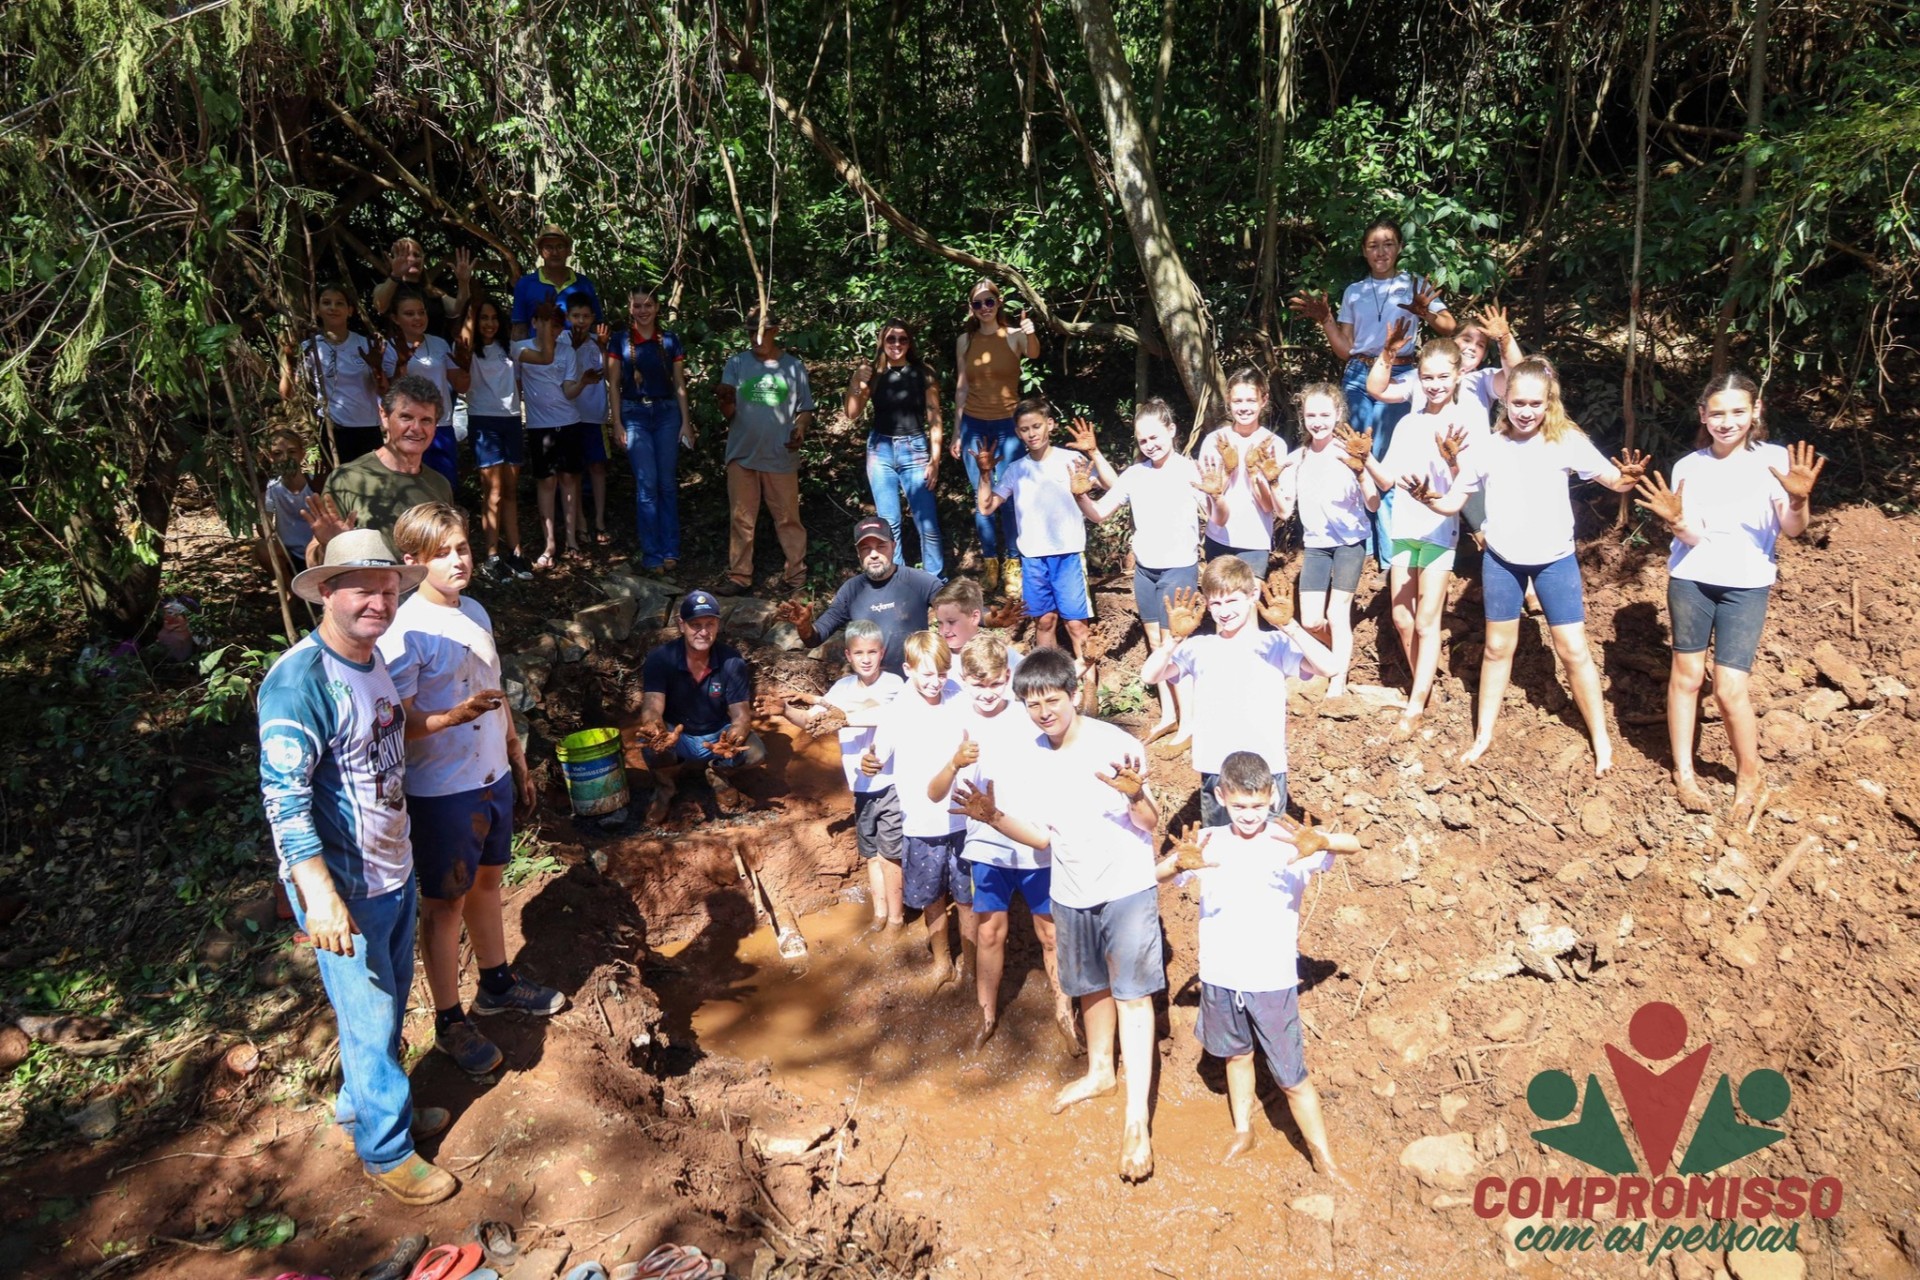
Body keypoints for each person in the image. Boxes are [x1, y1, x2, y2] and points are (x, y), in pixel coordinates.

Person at [257, 528, 456, 1205]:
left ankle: (366, 1103)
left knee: (388, 1003)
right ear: (328, 593)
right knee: (369, 1016)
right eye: (363, 588)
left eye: (388, 588)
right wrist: (318, 894)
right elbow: (283, 802)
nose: (379, 600)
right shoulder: (298, 682)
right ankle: (387, 1151)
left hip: (389, 866)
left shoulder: (368, 659)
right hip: (344, 883)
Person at [949, 647, 1162, 1182]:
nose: (1044, 711)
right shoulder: (1031, 755)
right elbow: (1043, 836)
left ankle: (1137, 1125)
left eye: (1052, 700)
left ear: (1072, 695)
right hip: (1070, 889)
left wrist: (1137, 797)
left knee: (1133, 998)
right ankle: (1098, 1073)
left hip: (1126, 887)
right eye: (1033, 703)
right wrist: (993, 817)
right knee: (1090, 986)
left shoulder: (1116, 744)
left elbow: (1150, 821)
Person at [379, 503, 562, 1078]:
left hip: (491, 776)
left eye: (462, 548)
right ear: (412, 563)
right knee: (444, 903)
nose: (458, 561)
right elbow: (398, 722)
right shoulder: (404, 631)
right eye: (443, 553)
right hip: (441, 789)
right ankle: (450, 1021)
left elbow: (494, 691)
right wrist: (450, 717)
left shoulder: (475, 610)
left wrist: (515, 754)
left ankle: (497, 981)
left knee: (488, 881)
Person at [1400, 359, 1646, 776]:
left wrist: (1630, 478)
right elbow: (1453, 503)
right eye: (1518, 403)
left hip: (1555, 561)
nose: (1526, 411)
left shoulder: (1565, 440)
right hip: (1502, 561)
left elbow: (1615, 481)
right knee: (1497, 649)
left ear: (1549, 401)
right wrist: (1428, 498)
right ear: (1505, 402)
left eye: (1535, 403)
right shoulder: (1488, 447)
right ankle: (1484, 735)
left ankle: (1601, 739)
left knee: (1573, 650)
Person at [1159, 752, 1356, 1181]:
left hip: (1271, 979)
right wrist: (1176, 863)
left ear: (1273, 796)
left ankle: (1324, 1157)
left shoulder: (1293, 841)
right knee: (1237, 1056)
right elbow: (1154, 876)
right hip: (1220, 975)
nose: (1249, 816)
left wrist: (1324, 842)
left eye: (1258, 805)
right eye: (1239, 806)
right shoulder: (1206, 841)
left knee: (1291, 1076)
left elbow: (1354, 843)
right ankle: (1243, 1130)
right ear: (1221, 797)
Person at [1634, 373, 1824, 814]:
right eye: (1717, 413)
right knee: (1686, 677)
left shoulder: (1776, 461)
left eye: (1738, 411)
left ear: (1755, 412)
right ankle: (1684, 771)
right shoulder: (1689, 466)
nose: (1727, 421)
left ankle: (1749, 774)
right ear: (1703, 415)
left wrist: (1797, 501)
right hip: (1692, 579)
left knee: (1730, 688)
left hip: (1748, 584)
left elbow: (1793, 530)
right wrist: (1676, 523)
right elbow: (1694, 537)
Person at [923, 633, 1073, 1051]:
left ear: (1008, 677)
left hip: (1034, 837)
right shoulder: (952, 719)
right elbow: (934, 794)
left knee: (1051, 933)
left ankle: (1065, 1012)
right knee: (990, 932)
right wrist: (955, 762)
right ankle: (986, 1015)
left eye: (994, 684)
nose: (986, 694)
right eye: (977, 684)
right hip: (986, 844)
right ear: (963, 679)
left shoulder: (1028, 714)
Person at [1140, 556, 1338, 827]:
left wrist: (1291, 627)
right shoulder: (1199, 647)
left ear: (1252, 594)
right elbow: (1150, 675)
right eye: (1215, 603)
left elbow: (1330, 667)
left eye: (1232, 601)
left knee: (1268, 852)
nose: (1224, 611)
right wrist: (1173, 640)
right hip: (1216, 767)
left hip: (1265, 765)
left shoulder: (1274, 643)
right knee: (1221, 850)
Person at [1356, 335, 1479, 738]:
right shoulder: (1408, 423)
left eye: (1443, 376)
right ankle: (1424, 689)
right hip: (1405, 529)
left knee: (1427, 620)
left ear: (1458, 375)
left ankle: (1414, 705)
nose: (1435, 385)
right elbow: (1389, 478)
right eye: (1427, 377)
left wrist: (1454, 460)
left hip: (1440, 530)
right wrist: (1364, 459)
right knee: (1401, 617)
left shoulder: (1465, 422)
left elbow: (1470, 484)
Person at [1075, 398, 1217, 745]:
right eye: (1142, 440)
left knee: (1175, 645)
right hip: (1146, 571)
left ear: (1172, 430)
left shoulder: (1189, 469)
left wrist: (1218, 494)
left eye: (1155, 437)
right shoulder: (1135, 474)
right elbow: (1099, 513)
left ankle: (1190, 722)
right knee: (1156, 642)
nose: (1150, 445)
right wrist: (1079, 495)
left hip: (1178, 569)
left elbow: (1213, 515)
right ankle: (1169, 715)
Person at [763, 621, 907, 935]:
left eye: (872, 652)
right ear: (848, 655)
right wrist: (786, 710)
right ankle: (879, 914)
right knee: (870, 854)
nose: (866, 658)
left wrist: (845, 718)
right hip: (862, 786)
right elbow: (813, 721)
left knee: (890, 856)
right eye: (859, 653)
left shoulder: (894, 684)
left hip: (892, 783)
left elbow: (888, 716)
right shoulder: (840, 689)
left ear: (882, 653)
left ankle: (896, 920)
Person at [860, 632, 974, 987]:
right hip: (921, 822)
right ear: (908, 669)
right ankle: (942, 960)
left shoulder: (960, 696)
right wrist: (870, 763)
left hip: (965, 818)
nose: (935, 682)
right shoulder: (898, 710)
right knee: (932, 897)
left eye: (941, 673)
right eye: (926, 674)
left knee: (968, 897)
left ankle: (970, 963)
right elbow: (878, 753)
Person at [975, 398, 1109, 663]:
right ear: (1017, 433)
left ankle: (1088, 687)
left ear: (1050, 425)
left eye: (1036, 426)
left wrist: (1094, 453)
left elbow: (1111, 484)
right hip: (1033, 558)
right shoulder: (1016, 470)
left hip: (1068, 555)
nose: (1032, 433)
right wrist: (985, 474)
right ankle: (1048, 683)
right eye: (1024, 429)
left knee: (1076, 625)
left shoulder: (1071, 459)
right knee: (1045, 622)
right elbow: (987, 507)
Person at [635, 589, 768, 823]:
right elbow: (652, 706)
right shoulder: (661, 658)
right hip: (678, 735)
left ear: (718, 624)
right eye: (695, 624)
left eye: (710, 624)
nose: (704, 632)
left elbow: (741, 715)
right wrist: (656, 729)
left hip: (717, 735)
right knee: (651, 744)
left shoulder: (731, 661)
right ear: (681, 625)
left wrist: (733, 738)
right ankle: (665, 789)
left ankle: (717, 771)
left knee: (756, 752)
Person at [1286, 383, 1380, 698]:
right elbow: (1279, 499)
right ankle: (1335, 654)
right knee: (1312, 620)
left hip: (1350, 543)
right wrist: (1266, 477)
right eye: (1311, 414)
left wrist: (1363, 471)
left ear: (1338, 413)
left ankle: (1337, 679)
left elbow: (1374, 504)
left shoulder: (1349, 449)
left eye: (1325, 414)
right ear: (1302, 416)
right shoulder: (1298, 456)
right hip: (1316, 545)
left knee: (1337, 613)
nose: (1318, 421)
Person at [305, 376, 456, 564]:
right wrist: (328, 545)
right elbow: (313, 561)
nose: (416, 428)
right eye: (406, 417)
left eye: (426, 420)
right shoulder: (348, 479)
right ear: (384, 416)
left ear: (435, 426)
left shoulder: (439, 485)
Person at [951, 280, 1040, 595]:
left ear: (999, 303)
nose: (985, 308)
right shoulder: (965, 340)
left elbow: (1034, 353)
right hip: (975, 426)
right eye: (978, 303)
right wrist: (956, 431)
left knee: (1010, 497)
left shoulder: (1014, 336)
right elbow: (962, 387)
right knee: (982, 497)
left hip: (1008, 427)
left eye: (989, 301)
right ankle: (991, 564)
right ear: (971, 309)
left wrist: (1029, 330)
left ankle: (1014, 565)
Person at [717, 306, 814, 595]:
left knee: (788, 518)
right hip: (742, 454)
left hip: (779, 455)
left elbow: (805, 410)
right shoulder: (736, 364)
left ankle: (796, 577)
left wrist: (801, 430)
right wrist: (724, 400)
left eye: (760, 332)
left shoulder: (793, 367)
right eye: (750, 334)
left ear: (774, 331)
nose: (755, 339)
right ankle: (739, 576)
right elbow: (729, 412)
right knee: (741, 518)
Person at [775, 517, 943, 675]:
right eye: (866, 548)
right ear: (858, 553)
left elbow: (957, 614)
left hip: (917, 683)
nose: (874, 554)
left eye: (881, 546)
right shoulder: (851, 590)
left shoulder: (920, 582)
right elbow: (814, 639)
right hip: (870, 689)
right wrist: (804, 626)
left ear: (894, 546)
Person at [845, 318, 945, 577]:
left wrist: (935, 459)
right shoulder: (874, 375)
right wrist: (856, 380)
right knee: (889, 523)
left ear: (910, 343)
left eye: (903, 339)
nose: (897, 344)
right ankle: (897, 582)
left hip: (915, 449)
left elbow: (934, 416)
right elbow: (852, 412)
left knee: (927, 522)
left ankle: (935, 582)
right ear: (882, 342)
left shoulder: (923, 372)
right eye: (891, 339)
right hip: (881, 450)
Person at [608, 288, 694, 574]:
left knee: (667, 484)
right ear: (630, 308)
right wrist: (617, 422)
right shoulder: (619, 340)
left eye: (648, 305)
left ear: (657, 307)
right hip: (634, 415)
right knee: (647, 484)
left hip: (667, 413)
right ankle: (652, 554)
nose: (643, 310)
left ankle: (671, 550)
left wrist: (686, 422)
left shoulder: (669, 340)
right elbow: (614, 384)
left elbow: (680, 384)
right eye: (637, 305)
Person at [459, 296, 532, 582]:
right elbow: (463, 340)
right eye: (483, 318)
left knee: (511, 490)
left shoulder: (509, 349)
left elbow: (542, 358)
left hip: (511, 420)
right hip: (483, 420)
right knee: (494, 491)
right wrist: (469, 303)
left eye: (493, 318)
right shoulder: (468, 351)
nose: (489, 324)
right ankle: (491, 556)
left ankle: (515, 552)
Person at [513, 302, 584, 570]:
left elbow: (568, 390)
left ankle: (571, 540)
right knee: (546, 483)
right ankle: (549, 544)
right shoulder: (521, 349)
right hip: (539, 426)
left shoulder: (567, 352)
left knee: (569, 480)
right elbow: (516, 384)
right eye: (547, 323)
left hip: (568, 422)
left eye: (557, 326)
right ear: (535, 323)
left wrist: (583, 383)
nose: (553, 330)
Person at [377, 287, 469, 488]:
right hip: (408, 429)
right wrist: (402, 363)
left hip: (441, 426)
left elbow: (461, 386)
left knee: (445, 485)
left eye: (421, 312)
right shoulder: (390, 347)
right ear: (395, 318)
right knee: (410, 487)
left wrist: (465, 365)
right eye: (409, 314)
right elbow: (388, 393)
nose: (417, 318)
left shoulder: (440, 344)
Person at [1197, 368, 1284, 580]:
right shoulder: (1214, 441)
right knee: (1221, 603)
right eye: (1238, 401)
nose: (1244, 408)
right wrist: (1228, 470)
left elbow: (1267, 506)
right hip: (1218, 537)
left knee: (1249, 605)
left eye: (1250, 401)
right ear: (1228, 401)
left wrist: (1254, 473)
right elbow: (1210, 501)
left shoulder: (1273, 445)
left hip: (1255, 540)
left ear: (1263, 400)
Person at [283, 283, 384, 462]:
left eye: (339, 303)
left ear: (350, 310)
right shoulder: (310, 347)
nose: (333, 308)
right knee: (340, 485)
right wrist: (290, 364)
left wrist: (377, 367)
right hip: (333, 430)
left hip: (368, 427)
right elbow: (287, 394)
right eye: (326, 303)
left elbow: (385, 391)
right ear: (317, 310)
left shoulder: (366, 344)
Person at [565, 300, 613, 546]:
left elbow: (612, 374)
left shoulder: (598, 342)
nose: (581, 321)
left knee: (597, 467)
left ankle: (600, 519)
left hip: (594, 415)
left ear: (593, 317)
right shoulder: (561, 340)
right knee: (573, 471)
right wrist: (572, 349)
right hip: (569, 415)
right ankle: (580, 522)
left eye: (585, 315)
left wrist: (604, 349)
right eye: (576, 315)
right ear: (568, 316)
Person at [509, 225, 601, 340]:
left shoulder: (584, 284)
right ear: (541, 252)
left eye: (560, 247)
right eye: (548, 247)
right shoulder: (525, 284)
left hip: (578, 353)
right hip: (538, 355)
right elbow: (520, 328)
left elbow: (595, 325)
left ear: (568, 251)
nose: (555, 252)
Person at [371, 238, 472, 339]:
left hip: (437, 350)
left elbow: (460, 309)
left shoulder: (432, 292)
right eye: (405, 255)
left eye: (416, 255)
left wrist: (463, 283)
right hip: (401, 352)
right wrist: (395, 275)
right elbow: (380, 305)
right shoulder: (386, 289)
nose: (411, 259)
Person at [931, 576, 1024, 680]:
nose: (945, 630)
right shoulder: (933, 660)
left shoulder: (1001, 656)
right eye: (940, 623)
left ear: (974, 617)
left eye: (951, 622)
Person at [263, 430, 316, 575]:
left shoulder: (315, 483)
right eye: (278, 453)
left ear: (302, 454)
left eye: (292, 451)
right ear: (270, 457)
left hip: (318, 552)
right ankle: (289, 592)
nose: (285, 458)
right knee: (262, 548)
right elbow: (264, 530)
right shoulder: (272, 487)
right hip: (288, 555)